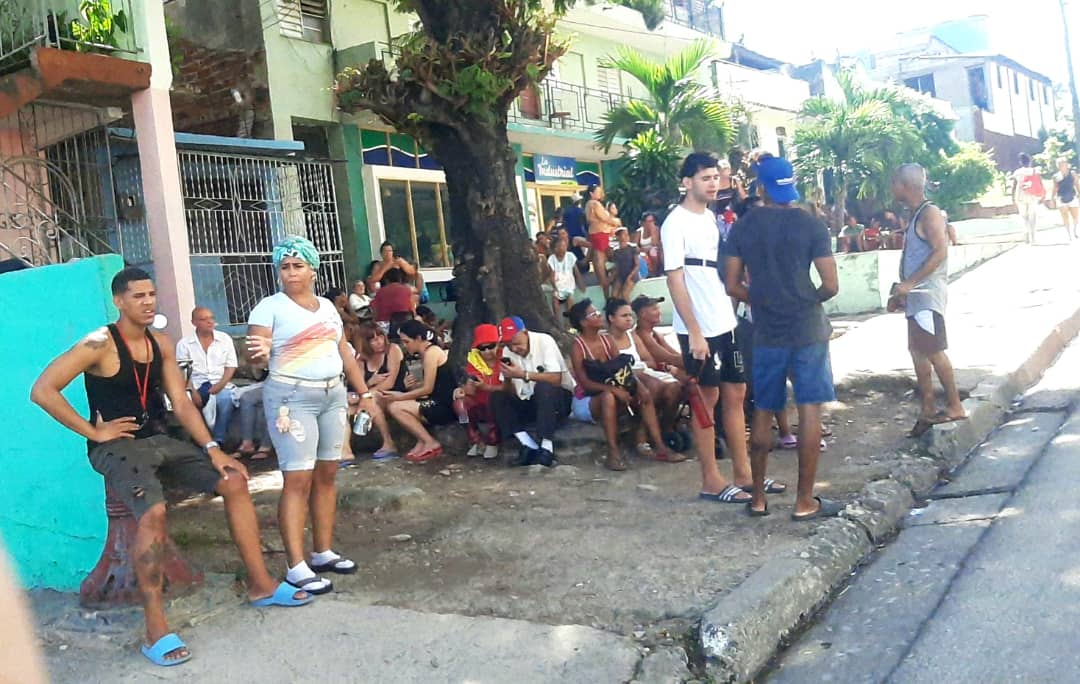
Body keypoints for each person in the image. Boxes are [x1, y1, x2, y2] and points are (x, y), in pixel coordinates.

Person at [31, 267, 313, 668]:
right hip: (119, 449)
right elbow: (42, 389)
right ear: (119, 301)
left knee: (232, 481)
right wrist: (94, 433)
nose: (148, 302)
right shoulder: (99, 343)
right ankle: (156, 629)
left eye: (151, 294)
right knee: (155, 512)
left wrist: (214, 449)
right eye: (138, 296)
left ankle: (261, 584)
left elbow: (181, 403)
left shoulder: (160, 343)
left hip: (161, 441)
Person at [247, 236, 383, 597]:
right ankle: (296, 565)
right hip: (291, 398)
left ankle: (322, 551)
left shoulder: (326, 307)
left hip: (333, 394)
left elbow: (343, 351)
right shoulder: (268, 308)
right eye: (285, 267)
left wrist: (365, 393)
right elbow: (257, 355)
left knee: (327, 473)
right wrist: (259, 356)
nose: (291, 273)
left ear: (313, 270)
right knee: (296, 480)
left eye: (298, 266)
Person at [724, 155, 841, 520]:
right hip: (807, 327)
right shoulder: (811, 224)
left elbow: (731, 284)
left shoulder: (742, 227)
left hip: (767, 331)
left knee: (762, 409)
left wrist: (762, 300)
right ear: (790, 186)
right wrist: (805, 301)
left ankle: (758, 498)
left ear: (760, 188)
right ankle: (805, 502)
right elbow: (831, 285)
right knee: (809, 409)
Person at [662, 152, 755, 505]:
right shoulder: (676, 222)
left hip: (724, 319)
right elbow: (675, 280)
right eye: (705, 177)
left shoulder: (711, 218)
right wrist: (695, 331)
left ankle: (744, 473)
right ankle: (711, 479)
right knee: (706, 399)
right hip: (697, 326)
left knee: (736, 393)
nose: (713, 183)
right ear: (687, 182)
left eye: (715, 177)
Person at [889, 163, 967, 437]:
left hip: (926, 296)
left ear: (904, 186)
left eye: (894, 183)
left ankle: (955, 405)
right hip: (916, 298)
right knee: (919, 352)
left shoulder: (928, 213)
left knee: (933, 351)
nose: (892, 188)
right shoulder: (918, 214)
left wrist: (910, 283)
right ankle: (928, 408)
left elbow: (939, 252)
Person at [569, 300, 674, 470]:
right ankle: (613, 452)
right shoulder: (578, 347)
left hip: (611, 389)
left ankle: (660, 446)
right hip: (587, 400)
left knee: (644, 393)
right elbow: (585, 382)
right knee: (609, 398)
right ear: (583, 322)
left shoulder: (606, 340)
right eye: (594, 314)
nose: (599, 316)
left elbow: (622, 369)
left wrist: (638, 387)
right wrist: (613, 389)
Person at [492, 316, 576, 467]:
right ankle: (527, 444)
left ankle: (546, 446)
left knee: (544, 386)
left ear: (525, 332)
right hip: (529, 401)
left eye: (516, 343)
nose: (514, 349)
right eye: (509, 345)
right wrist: (508, 377)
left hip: (558, 401)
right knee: (497, 396)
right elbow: (508, 390)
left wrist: (523, 374)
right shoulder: (507, 351)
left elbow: (556, 379)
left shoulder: (544, 341)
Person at [605, 298, 685, 446]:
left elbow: (650, 361)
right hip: (624, 378)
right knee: (651, 388)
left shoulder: (632, 336)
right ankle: (641, 434)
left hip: (644, 372)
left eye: (630, 315)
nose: (629, 319)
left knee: (675, 388)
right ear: (611, 318)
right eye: (624, 316)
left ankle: (664, 428)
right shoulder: (605, 340)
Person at [381, 319, 457, 462]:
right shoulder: (426, 353)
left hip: (442, 404)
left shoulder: (431, 353)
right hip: (434, 399)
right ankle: (421, 441)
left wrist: (400, 397)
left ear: (418, 339)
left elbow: (428, 388)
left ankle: (430, 442)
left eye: (407, 341)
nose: (404, 345)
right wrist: (407, 389)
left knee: (396, 407)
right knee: (394, 404)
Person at [175, 307, 238, 445]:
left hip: (221, 383)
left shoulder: (224, 339)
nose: (209, 322)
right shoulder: (185, 344)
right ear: (194, 322)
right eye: (203, 319)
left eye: (211, 318)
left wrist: (220, 385)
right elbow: (182, 371)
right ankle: (201, 441)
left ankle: (218, 441)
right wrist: (192, 391)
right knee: (191, 404)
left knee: (226, 400)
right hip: (196, 385)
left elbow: (231, 366)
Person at [348, 323, 402, 462]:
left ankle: (388, 442)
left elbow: (389, 383)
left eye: (380, 337)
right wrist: (370, 383)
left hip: (392, 393)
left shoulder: (392, 350)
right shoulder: (361, 360)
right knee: (347, 408)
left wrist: (366, 395)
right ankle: (345, 449)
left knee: (372, 400)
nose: (379, 341)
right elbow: (358, 384)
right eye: (373, 339)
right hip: (369, 395)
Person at [455, 323, 504, 460]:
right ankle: (475, 438)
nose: (487, 351)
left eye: (491, 346)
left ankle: (493, 440)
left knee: (496, 399)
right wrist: (462, 390)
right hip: (479, 404)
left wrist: (488, 387)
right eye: (483, 348)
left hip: (498, 405)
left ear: (498, 344)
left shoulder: (506, 357)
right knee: (459, 404)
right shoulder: (474, 361)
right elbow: (469, 386)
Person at [584, 184, 621, 298]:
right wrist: (616, 222)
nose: (601, 194)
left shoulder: (589, 204)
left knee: (600, 258)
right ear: (591, 193)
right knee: (600, 258)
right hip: (600, 233)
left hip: (598, 233)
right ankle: (604, 281)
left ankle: (605, 280)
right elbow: (604, 218)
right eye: (598, 192)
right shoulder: (594, 204)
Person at [547, 235, 582, 323]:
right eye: (560, 246)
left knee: (570, 300)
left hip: (568, 285)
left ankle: (570, 322)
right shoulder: (552, 259)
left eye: (564, 246)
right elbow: (552, 275)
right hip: (558, 285)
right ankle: (557, 321)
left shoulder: (570, 256)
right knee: (555, 300)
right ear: (555, 248)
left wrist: (580, 282)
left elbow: (576, 271)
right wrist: (555, 287)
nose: (563, 248)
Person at [1011, 152, 1045, 243]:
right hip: (1032, 195)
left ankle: (1026, 234)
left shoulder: (1017, 172)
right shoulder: (1035, 171)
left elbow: (1014, 185)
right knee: (1032, 216)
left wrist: (1012, 198)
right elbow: (1040, 183)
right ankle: (1033, 237)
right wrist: (1043, 195)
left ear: (1020, 162)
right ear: (1030, 161)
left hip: (1020, 195)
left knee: (1023, 216)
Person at [611, 227, 640, 301]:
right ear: (618, 237)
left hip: (632, 274)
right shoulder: (616, 250)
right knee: (614, 295)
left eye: (627, 234)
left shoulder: (633, 247)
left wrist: (630, 276)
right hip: (621, 275)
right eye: (624, 235)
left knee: (624, 294)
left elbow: (637, 265)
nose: (627, 237)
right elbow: (617, 266)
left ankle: (629, 311)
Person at [1053, 156, 1079, 240]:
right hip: (1061, 197)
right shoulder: (1056, 176)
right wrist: (1052, 198)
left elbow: (1076, 184)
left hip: (1072, 195)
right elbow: (1055, 188)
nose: (1062, 166)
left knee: (1075, 216)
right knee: (1065, 217)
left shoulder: (1072, 173)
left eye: (1064, 164)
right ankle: (1069, 234)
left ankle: (1074, 231)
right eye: (1060, 164)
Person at [637, 212, 662, 276]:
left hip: (653, 250)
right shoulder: (639, 231)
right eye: (649, 221)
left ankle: (655, 272)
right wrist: (641, 250)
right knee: (642, 256)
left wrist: (652, 231)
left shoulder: (656, 229)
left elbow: (655, 244)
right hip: (643, 251)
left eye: (652, 221)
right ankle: (646, 273)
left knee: (653, 252)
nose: (651, 223)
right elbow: (635, 245)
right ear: (644, 222)